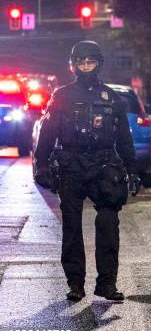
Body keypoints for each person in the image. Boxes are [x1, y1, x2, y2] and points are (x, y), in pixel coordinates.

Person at [34, 40, 140, 301]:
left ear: (98, 63)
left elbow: (124, 138)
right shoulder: (62, 95)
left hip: (104, 164)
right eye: (80, 62)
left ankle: (107, 283)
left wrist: (133, 170)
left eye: (90, 61)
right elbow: (47, 133)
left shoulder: (112, 98)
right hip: (71, 164)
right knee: (71, 226)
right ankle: (75, 284)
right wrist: (42, 164)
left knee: (108, 224)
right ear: (73, 65)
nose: (85, 66)